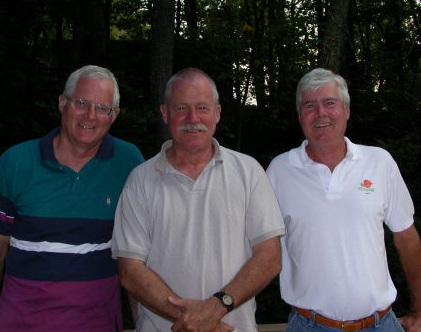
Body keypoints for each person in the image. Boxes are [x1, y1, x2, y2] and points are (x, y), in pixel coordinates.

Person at [111, 68, 285, 332]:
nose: (193, 118)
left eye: (202, 107)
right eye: (181, 108)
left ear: (217, 113)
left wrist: (215, 308)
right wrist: (194, 319)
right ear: (165, 113)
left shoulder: (249, 172)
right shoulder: (139, 181)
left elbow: (269, 257)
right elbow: (131, 270)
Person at [0, 65, 144, 332]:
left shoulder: (129, 163)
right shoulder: (15, 162)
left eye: (102, 108)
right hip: (19, 324)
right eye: (81, 102)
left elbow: (136, 256)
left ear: (114, 116)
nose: (90, 115)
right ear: (62, 103)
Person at [266, 68, 421, 332]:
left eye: (329, 103)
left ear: (346, 110)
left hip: (381, 325)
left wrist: (419, 311)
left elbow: (406, 239)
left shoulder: (379, 162)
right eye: (309, 105)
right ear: (300, 116)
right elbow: (261, 251)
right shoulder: (279, 171)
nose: (321, 113)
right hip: (309, 326)